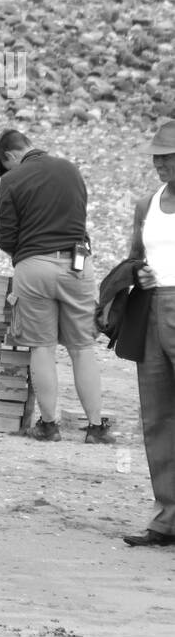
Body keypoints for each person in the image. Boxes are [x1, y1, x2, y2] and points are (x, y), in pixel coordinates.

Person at [0, 129, 116, 445]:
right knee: (82, 348)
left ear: (8, 156)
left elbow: (6, 237)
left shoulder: (11, 180)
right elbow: (80, 215)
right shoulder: (69, 168)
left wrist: (26, 251)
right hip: (78, 264)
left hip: (34, 268)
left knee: (42, 347)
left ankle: (49, 425)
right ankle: (95, 428)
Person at [125, 120, 175, 546]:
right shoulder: (147, 204)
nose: (161, 163)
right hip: (154, 306)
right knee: (156, 416)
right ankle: (166, 518)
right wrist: (138, 273)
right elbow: (135, 257)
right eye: (157, 156)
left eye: (168, 156)